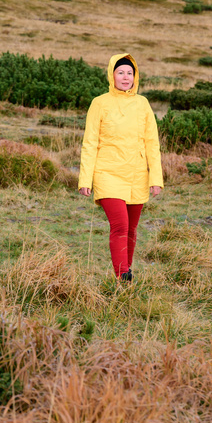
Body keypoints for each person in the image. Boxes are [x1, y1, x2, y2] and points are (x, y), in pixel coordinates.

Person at [78, 52, 163, 282]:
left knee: (132, 229)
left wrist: (156, 178)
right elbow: (89, 143)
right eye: (120, 72)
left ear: (135, 76)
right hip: (107, 174)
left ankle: (126, 273)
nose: (126, 77)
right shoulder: (99, 103)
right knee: (120, 226)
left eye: (129, 73)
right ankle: (122, 276)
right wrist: (85, 179)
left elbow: (152, 143)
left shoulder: (143, 103)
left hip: (137, 175)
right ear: (111, 75)